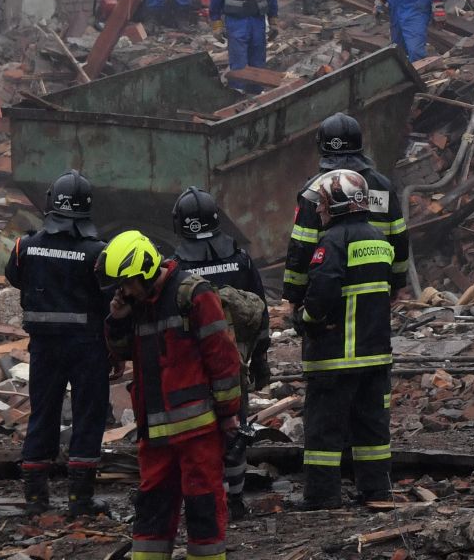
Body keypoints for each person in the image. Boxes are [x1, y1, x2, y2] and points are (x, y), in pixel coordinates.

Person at [101, 229, 243, 560]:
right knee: (150, 516)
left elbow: (222, 361)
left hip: (198, 434)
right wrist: (117, 320)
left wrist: (228, 415)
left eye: (127, 282)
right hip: (154, 438)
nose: (124, 290)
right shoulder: (136, 303)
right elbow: (122, 353)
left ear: (147, 269)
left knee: (204, 511)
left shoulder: (192, 295)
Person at [6, 170, 109, 515]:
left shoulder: (26, 246)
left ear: (51, 203)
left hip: (44, 347)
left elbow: (14, 277)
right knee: (88, 417)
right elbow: (110, 301)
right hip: (89, 348)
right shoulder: (98, 253)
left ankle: (36, 501)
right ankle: (80, 502)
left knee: (43, 415)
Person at [296, 168, 398, 509]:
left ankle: (323, 497)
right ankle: (376, 491)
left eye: (322, 205)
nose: (319, 211)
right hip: (375, 356)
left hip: (336, 358)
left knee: (324, 431)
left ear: (338, 204)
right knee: (371, 429)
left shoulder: (333, 242)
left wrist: (306, 319)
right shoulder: (379, 241)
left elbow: (321, 292)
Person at [170, 187, 270, 520]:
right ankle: (236, 501)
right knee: (236, 428)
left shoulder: (178, 266)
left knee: (198, 433)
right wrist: (262, 357)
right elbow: (261, 310)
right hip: (237, 364)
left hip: (194, 366)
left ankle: (207, 501)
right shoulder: (240, 259)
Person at [283, 113, 410, 313]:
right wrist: (397, 284)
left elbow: (302, 245)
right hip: (375, 287)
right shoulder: (383, 186)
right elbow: (399, 237)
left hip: (328, 290)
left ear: (322, 146)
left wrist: (294, 295)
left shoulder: (314, 190)